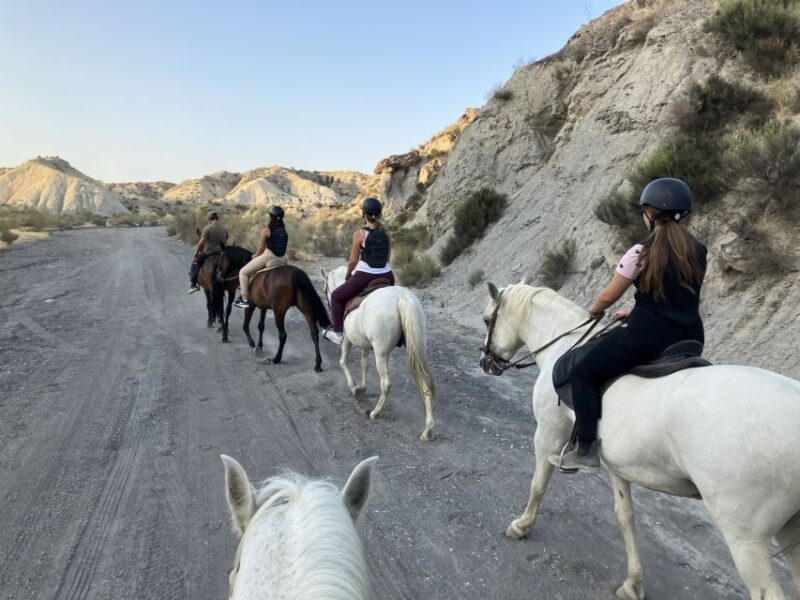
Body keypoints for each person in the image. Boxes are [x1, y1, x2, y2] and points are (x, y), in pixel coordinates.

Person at [550, 178, 707, 473]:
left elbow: (609, 295)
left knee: (582, 372)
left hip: (647, 338)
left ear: (650, 212)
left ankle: (585, 449)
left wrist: (596, 310)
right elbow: (674, 298)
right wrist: (634, 313)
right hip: (690, 336)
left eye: (644, 210)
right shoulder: (698, 251)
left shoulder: (640, 253)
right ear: (683, 213)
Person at [322, 197, 394, 345]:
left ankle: (338, 333)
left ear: (364, 215)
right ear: (379, 215)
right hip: (388, 275)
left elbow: (353, 260)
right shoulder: (386, 233)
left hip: (366, 275)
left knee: (335, 296)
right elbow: (387, 258)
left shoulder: (360, 234)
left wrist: (348, 274)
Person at [233, 206, 290, 308]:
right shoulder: (284, 231)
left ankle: (245, 299)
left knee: (243, 272)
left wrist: (255, 257)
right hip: (284, 258)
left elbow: (261, 248)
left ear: (271, 217)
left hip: (269, 256)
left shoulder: (267, 230)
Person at [188, 210, 228, 294]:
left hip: (209, 252)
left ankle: (193, 284)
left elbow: (201, 243)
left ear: (210, 219)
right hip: (221, 253)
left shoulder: (208, 228)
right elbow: (225, 243)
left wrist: (197, 252)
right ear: (217, 218)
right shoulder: (224, 229)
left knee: (195, 263)